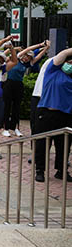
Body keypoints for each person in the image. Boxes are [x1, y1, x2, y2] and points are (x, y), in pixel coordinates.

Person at [33, 46, 72, 182]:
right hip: (46, 112)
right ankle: (40, 170)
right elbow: (64, 53)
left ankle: (61, 170)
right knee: (42, 143)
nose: (70, 66)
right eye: (69, 62)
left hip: (65, 116)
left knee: (63, 145)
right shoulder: (53, 70)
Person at [1, 41, 49, 137]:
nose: (27, 58)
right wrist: (41, 44)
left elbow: (38, 57)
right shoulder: (16, 58)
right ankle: (5, 128)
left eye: (29, 57)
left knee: (17, 107)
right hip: (8, 83)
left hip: (19, 85)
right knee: (7, 106)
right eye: (26, 56)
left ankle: (15, 128)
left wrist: (46, 48)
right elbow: (27, 49)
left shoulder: (26, 65)